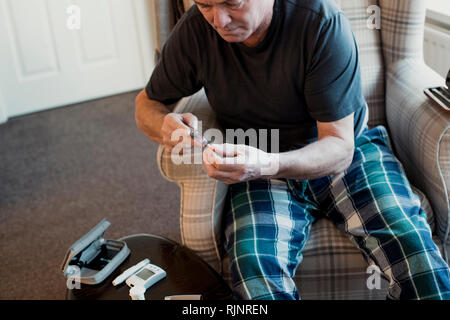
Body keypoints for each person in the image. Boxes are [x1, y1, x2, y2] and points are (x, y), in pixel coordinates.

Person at [135, 0, 450, 300]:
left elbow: (340, 147)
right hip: (256, 161)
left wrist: (268, 164)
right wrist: (164, 125)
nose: (219, 21)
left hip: (344, 154)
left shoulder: (321, 23)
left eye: (233, 3)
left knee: (415, 254)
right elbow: (146, 104)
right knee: (255, 272)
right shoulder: (195, 31)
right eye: (205, 5)